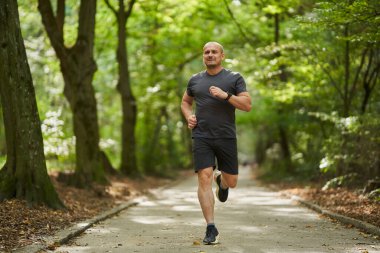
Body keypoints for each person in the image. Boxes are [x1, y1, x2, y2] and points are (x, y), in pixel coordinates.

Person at [181, 41, 251, 245]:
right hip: (201, 135)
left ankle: (222, 181)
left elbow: (247, 105)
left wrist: (226, 95)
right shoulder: (195, 80)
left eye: (214, 52)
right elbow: (186, 102)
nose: (210, 55)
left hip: (226, 136)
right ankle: (211, 228)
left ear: (222, 56)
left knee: (232, 182)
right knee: (204, 177)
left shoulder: (234, 78)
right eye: (206, 52)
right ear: (203, 56)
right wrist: (188, 116)